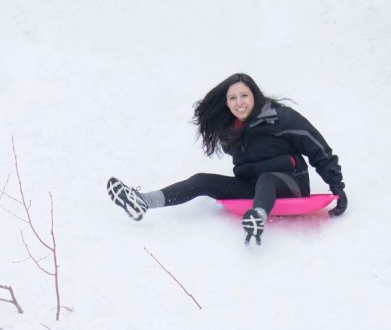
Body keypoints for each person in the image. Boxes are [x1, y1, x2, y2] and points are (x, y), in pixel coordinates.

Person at [107, 73, 347, 242]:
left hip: (290, 183)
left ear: (254, 95)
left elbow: (318, 148)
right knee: (202, 180)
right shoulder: (230, 131)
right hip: (254, 187)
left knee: (267, 178)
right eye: (233, 98)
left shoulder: (280, 118)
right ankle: (143, 201)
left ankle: (257, 218)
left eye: (244, 95)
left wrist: (337, 186)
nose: (239, 102)